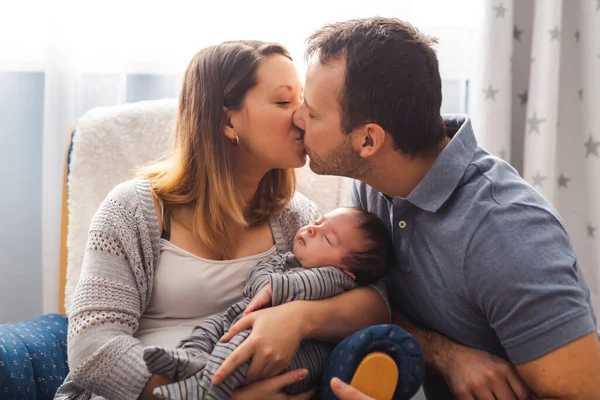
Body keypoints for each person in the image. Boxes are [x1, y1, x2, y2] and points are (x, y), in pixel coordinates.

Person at [218, 18, 600, 400]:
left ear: (369, 140)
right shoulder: (373, 185)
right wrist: (449, 355)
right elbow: (372, 298)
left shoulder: (506, 233)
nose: (297, 119)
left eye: (313, 113)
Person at [54, 40, 389, 400]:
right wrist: (215, 394)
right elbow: (92, 347)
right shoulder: (133, 209)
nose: (301, 116)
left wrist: (300, 319)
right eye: (283, 101)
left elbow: (374, 303)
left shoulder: (297, 219)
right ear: (228, 120)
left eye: (302, 100)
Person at [142, 206, 394, 400]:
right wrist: (265, 283)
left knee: (244, 345)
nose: (311, 229)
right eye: (316, 222)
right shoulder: (287, 260)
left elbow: (305, 285)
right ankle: (189, 359)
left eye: (327, 239)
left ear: (349, 271)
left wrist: (274, 287)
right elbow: (255, 281)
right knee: (210, 329)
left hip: (293, 357)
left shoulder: (337, 279)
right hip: (241, 320)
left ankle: (202, 390)